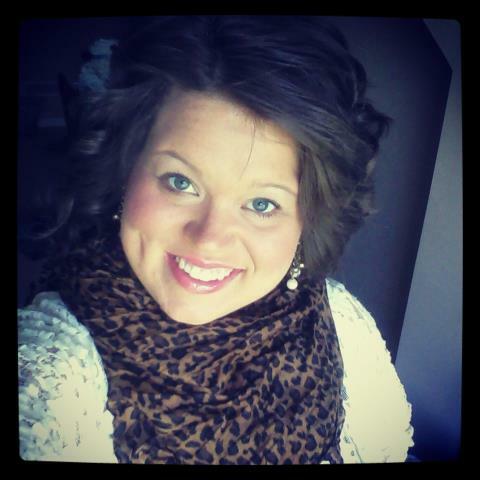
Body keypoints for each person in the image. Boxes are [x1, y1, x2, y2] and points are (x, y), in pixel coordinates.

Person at [18, 16, 414, 464]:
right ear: (125, 170)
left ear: (308, 221)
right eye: (180, 182)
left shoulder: (343, 322)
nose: (209, 239)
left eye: (261, 204)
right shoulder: (50, 377)